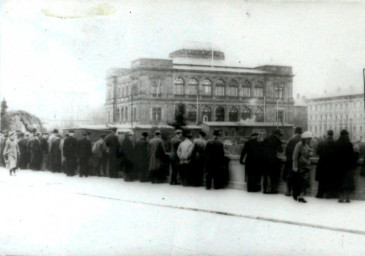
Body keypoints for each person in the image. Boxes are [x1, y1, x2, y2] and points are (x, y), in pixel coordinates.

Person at [335, 130, 358, 203]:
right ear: (346, 135)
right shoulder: (349, 144)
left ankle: (341, 198)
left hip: (338, 166)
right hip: (347, 166)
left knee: (340, 182)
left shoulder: (337, 143)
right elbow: (351, 156)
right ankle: (347, 198)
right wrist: (357, 153)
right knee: (347, 182)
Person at [292, 131, 313, 203]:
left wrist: (310, 153)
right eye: (309, 139)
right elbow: (295, 156)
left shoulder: (307, 145)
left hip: (306, 166)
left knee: (304, 183)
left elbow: (309, 155)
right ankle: (297, 195)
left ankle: (301, 196)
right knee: (299, 182)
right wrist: (295, 167)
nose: (310, 140)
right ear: (305, 138)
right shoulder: (299, 144)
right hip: (300, 167)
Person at [315, 130, 336, 198]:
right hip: (332, 163)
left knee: (321, 180)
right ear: (332, 134)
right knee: (330, 179)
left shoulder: (321, 142)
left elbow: (318, 152)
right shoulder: (335, 142)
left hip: (322, 162)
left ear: (327, 134)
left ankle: (320, 194)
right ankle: (329, 195)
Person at [262, 129, 283, 194]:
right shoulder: (277, 140)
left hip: (265, 160)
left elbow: (262, 149)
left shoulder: (266, 139)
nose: (279, 136)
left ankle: (265, 189)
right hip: (273, 160)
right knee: (273, 175)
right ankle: (272, 190)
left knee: (266, 175)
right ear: (277, 135)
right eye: (279, 135)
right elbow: (280, 150)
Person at [283, 127, 302, 196]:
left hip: (289, 160)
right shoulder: (301, 140)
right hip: (298, 161)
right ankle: (296, 192)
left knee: (289, 176)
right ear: (301, 133)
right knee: (297, 177)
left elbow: (286, 151)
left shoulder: (291, 140)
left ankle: (288, 191)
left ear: (295, 132)